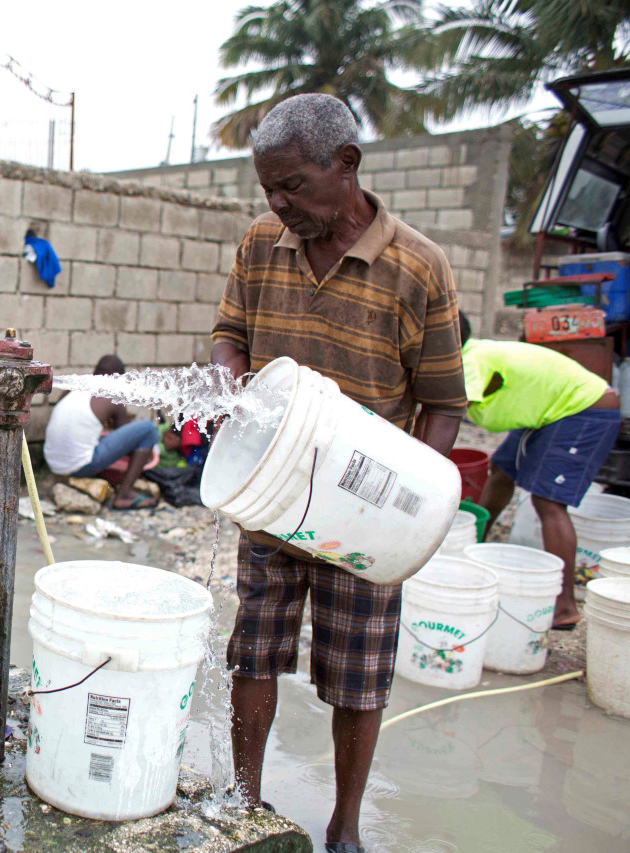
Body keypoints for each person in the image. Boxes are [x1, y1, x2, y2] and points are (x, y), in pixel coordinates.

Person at [210, 94, 466, 853]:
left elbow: (444, 402)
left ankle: (345, 826)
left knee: (359, 674)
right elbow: (230, 332)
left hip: (365, 511)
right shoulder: (263, 244)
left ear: (346, 165)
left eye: (292, 185)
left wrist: (411, 502)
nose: (280, 203)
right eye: (268, 189)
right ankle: (244, 802)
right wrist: (228, 375)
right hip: (272, 491)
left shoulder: (420, 266)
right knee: (252, 651)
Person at [460, 311, 621, 629]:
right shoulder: (472, 351)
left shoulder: (470, 361)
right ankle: (473, 545)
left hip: (583, 409)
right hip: (552, 413)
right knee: (503, 470)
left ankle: (564, 606)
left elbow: (447, 413)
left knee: (547, 501)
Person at [43, 354, 159, 510]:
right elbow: (125, 434)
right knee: (148, 430)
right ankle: (125, 494)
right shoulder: (111, 396)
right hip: (79, 467)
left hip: (53, 463)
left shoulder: (73, 388)